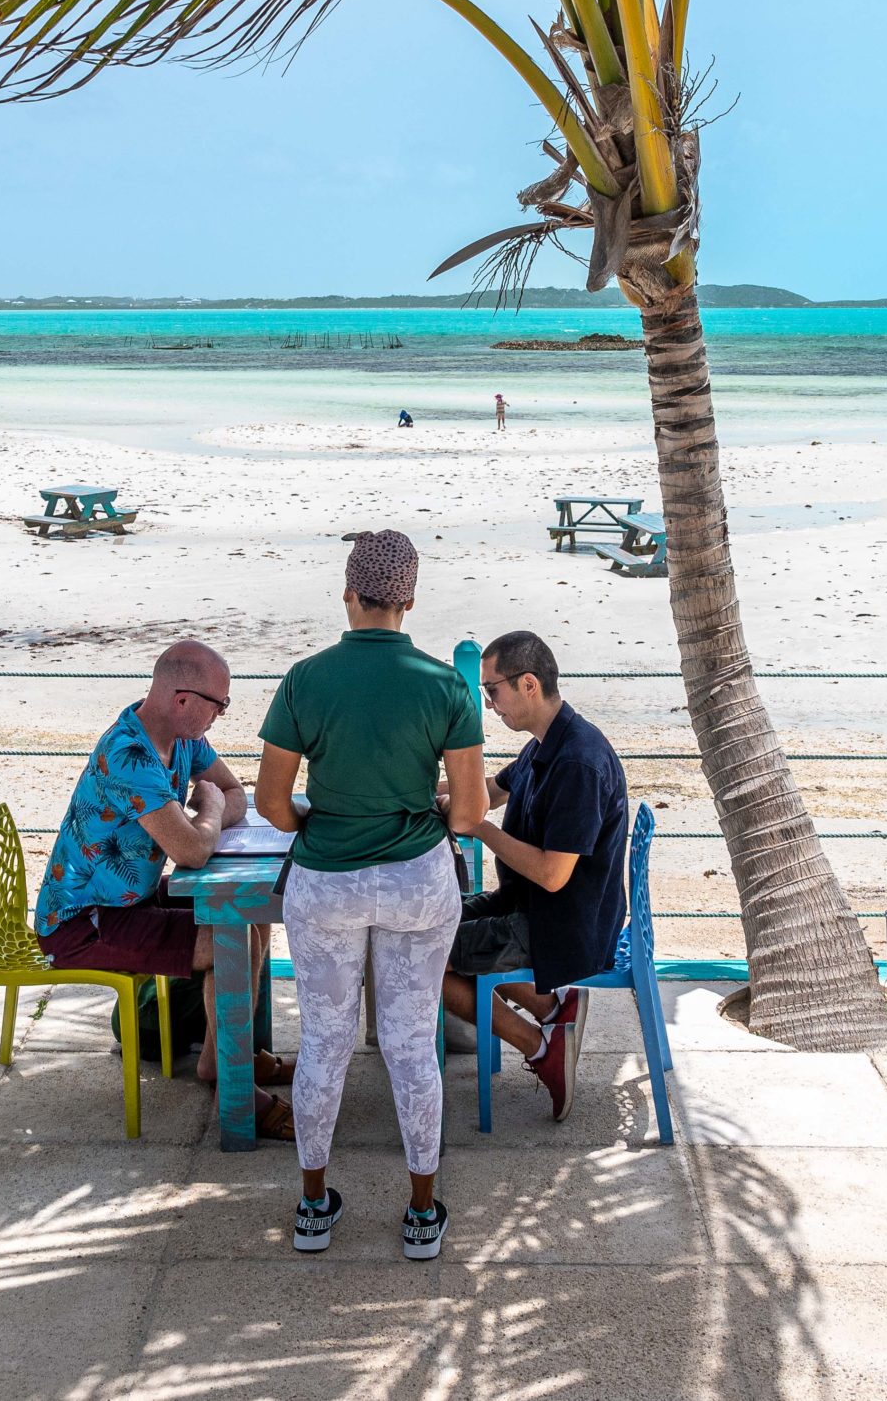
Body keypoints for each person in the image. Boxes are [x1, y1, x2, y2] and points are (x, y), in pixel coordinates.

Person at [256, 529, 484, 1261]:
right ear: (410, 600)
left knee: (324, 1041)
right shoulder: (446, 684)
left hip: (326, 880)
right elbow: (469, 814)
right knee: (411, 1042)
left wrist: (315, 822)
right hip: (418, 877)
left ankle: (314, 1206)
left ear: (348, 594)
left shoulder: (305, 678)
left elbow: (270, 802)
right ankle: (422, 1212)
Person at [32, 639, 291, 1135]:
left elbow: (236, 793)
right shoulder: (130, 754)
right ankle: (234, 1087)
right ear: (183, 700)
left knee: (250, 913)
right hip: (84, 922)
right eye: (220, 705)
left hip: (134, 898)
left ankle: (223, 1063)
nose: (221, 716)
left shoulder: (183, 738)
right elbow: (193, 851)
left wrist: (207, 817)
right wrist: (209, 813)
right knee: (226, 942)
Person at [440, 630, 627, 1123]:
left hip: (562, 926)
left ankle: (540, 1047)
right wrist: (411, 787)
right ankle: (552, 1011)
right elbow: (489, 790)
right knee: (432, 923)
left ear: (527, 684)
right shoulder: (547, 740)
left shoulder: (577, 763)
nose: (490, 703)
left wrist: (476, 825)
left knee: (423, 958)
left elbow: (551, 874)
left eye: (492, 691)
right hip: (528, 906)